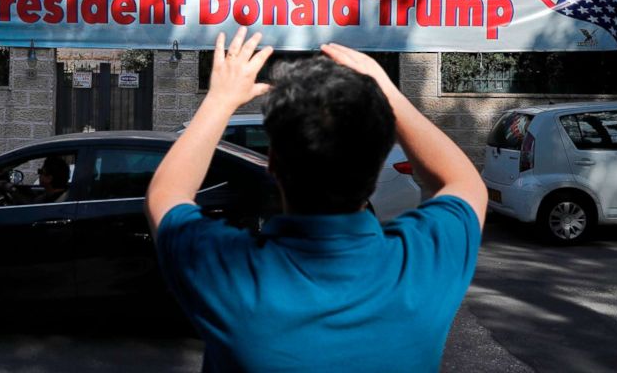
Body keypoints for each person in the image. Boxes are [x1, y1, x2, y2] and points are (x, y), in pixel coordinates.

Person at [145, 28, 487, 373]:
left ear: (273, 163)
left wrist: (219, 101)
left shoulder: (230, 273)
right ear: (380, 163)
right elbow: (464, 182)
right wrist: (390, 96)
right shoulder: (423, 264)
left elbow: (166, 193)